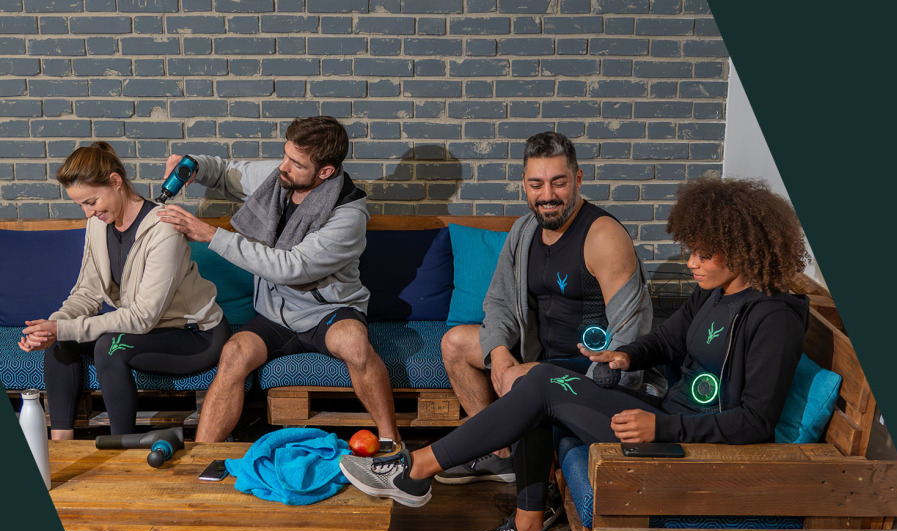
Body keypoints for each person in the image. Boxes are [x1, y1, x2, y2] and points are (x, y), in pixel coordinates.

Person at [340, 176, 811, 531]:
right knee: (537, 383)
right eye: (691, 251)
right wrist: (626, 355)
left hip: (683, 446)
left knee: (539, 381)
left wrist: (662, 426)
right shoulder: (714, 293)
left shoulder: (774, 318)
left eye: (703, 255)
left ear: (743, 250)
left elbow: (755, 421)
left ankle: (416, 469)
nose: (691, 263)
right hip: (663, 420)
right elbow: (666, 341)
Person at [158, 116, 403, 449]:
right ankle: (202, 457)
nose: (282, 167)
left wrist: (211, 234)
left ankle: (392, 442)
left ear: (325, 172)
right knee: (234, 353)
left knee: (355, 345)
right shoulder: (281, 177)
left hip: (326, 312)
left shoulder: (348, 216)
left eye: (295, 162)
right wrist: (196, 166)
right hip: (274, 314)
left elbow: (292, 267)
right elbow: (229, 173)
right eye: (285, 155)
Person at [437, 131, 659, 486]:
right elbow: (497, 301)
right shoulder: (524, 230)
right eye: (537, 184)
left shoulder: (603, 236)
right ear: (524, 184)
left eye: (559, 183)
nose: (548, 196)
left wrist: (588, 389)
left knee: (517, 376)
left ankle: (527, 474)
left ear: (578, 179)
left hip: (588, 368)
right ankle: (501, 457)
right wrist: (498, 351)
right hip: (538, 354)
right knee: (455, 344)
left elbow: (631, 335)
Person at [18, 142, 229, 437]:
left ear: (116, 182)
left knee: (110, 346)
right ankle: (61, 448)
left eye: (91, 201)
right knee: (59, 340)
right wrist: (51, 327)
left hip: (194, 334)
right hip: (147, 329)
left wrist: (62, 327)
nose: (88, 212)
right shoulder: (97, 225)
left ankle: (123, 449)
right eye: (80, 205)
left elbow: (142, 317)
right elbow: (87, 293)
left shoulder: (163, 228)